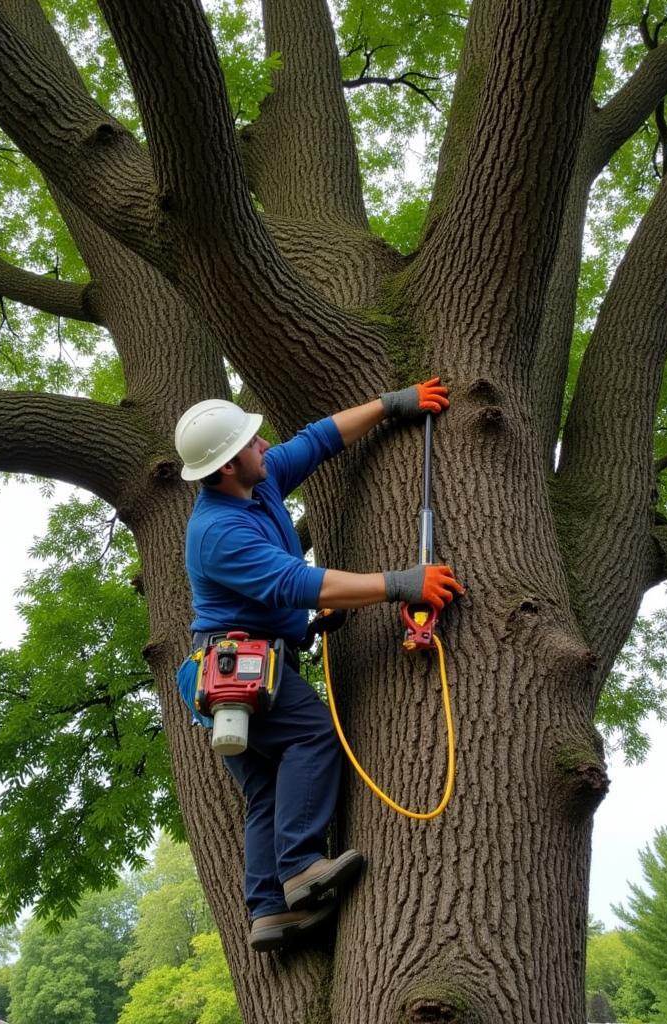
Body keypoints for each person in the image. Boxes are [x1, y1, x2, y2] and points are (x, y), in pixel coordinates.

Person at [174, 379, 464, 953]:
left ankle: (267, 911)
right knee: (312, 735)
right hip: (236, 669)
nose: (265, 446)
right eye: (253, 443)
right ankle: (302, 865)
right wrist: (399, 584)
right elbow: (294, 583)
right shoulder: (218, 532)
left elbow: (319, 440)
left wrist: (391, 404)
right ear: (229, 465)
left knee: (265, 792)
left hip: (234, 666)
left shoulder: (259, 482)